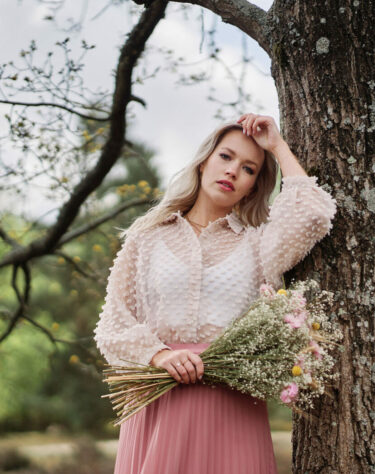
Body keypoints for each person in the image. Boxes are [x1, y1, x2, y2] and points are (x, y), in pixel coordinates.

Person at [94, 113, 337, 474]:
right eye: (226, 157)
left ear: (254, 186)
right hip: (158, 402)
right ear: (204, 160)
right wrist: (159, 356)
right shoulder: (147, 237)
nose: (233, 171)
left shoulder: (259, 245)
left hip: (230, 402)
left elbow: (313, 215)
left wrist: (277, 145)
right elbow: (112, 326)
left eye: (249, 169)